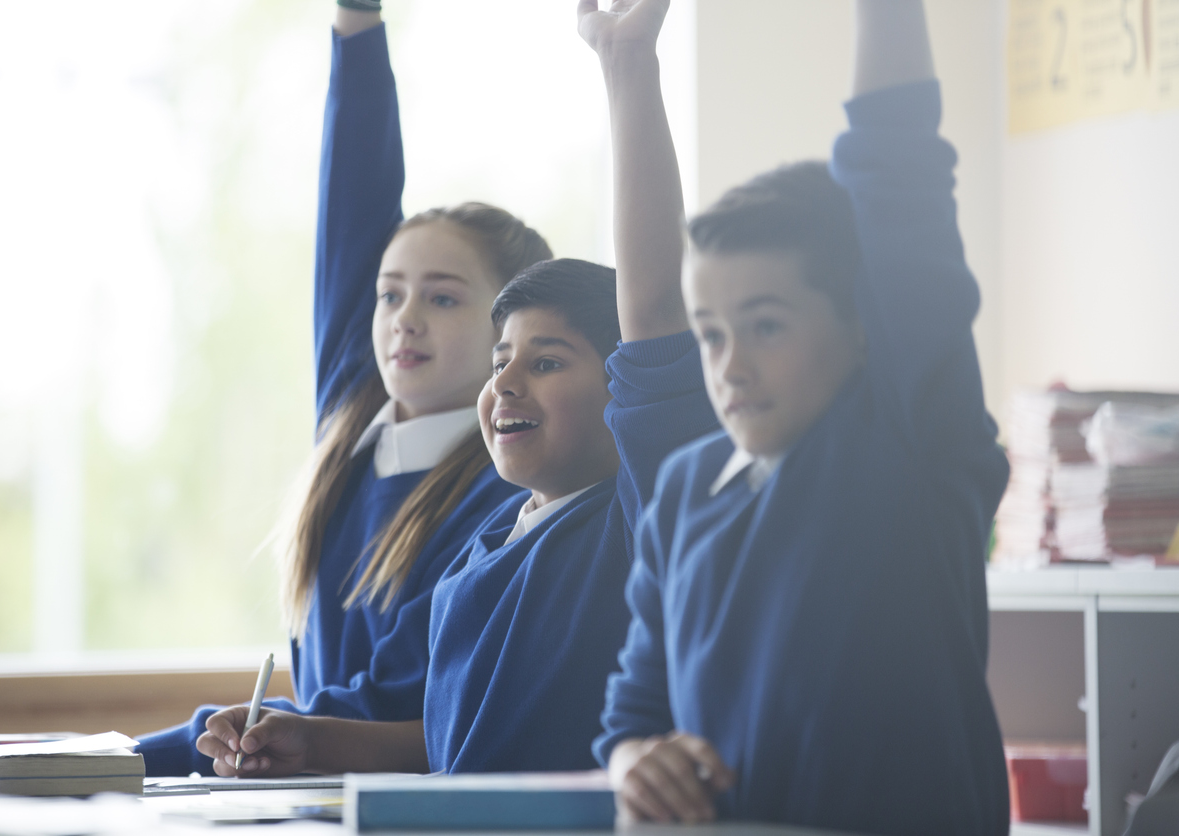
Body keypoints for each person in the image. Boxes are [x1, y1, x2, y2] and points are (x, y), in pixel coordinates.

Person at [189, 0, 719, 778]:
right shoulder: (485, 548)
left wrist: (627, 65)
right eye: (502, 361)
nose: (506, 382)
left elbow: (657, 311)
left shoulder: (633, 520)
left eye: (547, 362)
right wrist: (315, 741)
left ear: (621, 389)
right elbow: (446, 744)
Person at [593, 2, 1011, 834]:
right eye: (712, 334)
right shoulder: (685, 489)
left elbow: (899, 167)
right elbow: (633, 715)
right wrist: (636, 760)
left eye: (767, 326)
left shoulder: (910, 436)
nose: (730, 365)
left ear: (862, 329)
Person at [135, 1, 546, 776]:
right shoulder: (353, 419)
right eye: (389, 295)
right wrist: (356, 17)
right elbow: (352, 200)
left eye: (443, 297)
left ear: (508, 328)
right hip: (299, 794)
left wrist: (138, 756)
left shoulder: (507, 493)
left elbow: (381, 705)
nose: (405, 319)